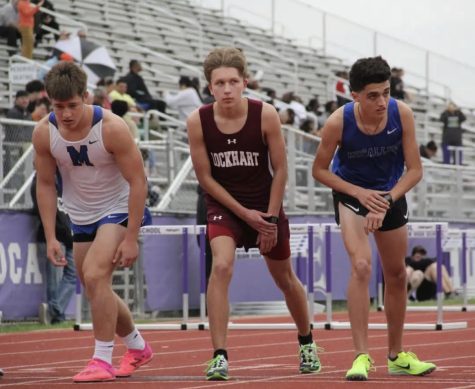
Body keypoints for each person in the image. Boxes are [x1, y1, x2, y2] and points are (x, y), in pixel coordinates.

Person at [187, 47, 321, 381]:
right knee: (221, 266)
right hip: (226, 206)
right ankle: (219, 355)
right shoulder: (198, 121)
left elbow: (281, 170)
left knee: (285, 279)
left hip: (266, 204)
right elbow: (205, 178)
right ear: (210, 87)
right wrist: (243, 214)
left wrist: (270, 220)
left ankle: (307, 341)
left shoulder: (266, 115)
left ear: (245, 82)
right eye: (220, 83)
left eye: (233, 81)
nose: (227, 89)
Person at [312, 56, 436, 381]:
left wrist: (386, 199)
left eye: (386, 92)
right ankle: (360, 356)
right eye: (373, 95)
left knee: (396, 274)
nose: (382, 101)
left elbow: (415, 170)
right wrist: (359, 194)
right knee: (362, 266)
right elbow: (319, 170)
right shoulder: (338, 122)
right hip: (352, 194)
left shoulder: (402, 114)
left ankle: (396, 355)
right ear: (355, 96)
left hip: (390, 193)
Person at [32, 61, 153, 383]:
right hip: (81, 213)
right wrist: (51, 236)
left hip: (119, 206)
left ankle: (102, 360)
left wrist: (130, 237)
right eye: (59, 107)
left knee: (96, 274)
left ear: (86, 96)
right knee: (93, 285)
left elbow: (139, 181)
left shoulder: (111, 127)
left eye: (73, 105)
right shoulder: (44, 132)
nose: (67, 114)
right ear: (49, 102)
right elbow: (44, 184)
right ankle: (138, 347)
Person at [31, 170, 76, 325]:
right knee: (54, 278)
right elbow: (41, 209)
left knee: (73, 275)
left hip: (71, 237)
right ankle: (56, 313)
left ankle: (54, 310)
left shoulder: (67, 179)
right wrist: (54, 235)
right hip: (54, 238)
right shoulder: (40, 180)